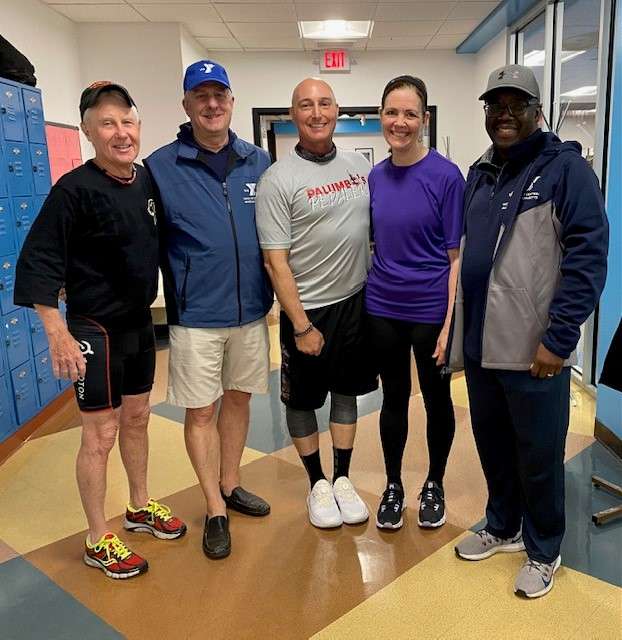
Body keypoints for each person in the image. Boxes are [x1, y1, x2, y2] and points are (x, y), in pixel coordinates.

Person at [14, 81, 186, 580]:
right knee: (100, 432)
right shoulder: (73, 191)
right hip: (94, 326)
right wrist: (56, 331)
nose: (120, 132)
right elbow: (39, 261)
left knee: (137, 418)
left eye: (127, 121)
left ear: (138, 126)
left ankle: (138, 506)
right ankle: (96, 537)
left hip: (136, 321)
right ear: (89, 131)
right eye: (107, 123)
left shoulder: (146, 180)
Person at [448, 64, 609, 598]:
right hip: (482, 344)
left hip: (534, 348)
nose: (505, 115)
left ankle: (544, 548)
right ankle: (503, 525)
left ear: (537, 111)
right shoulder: (481, 170)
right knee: (493, 446)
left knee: (538, 453)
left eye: (517, 104)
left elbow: (588, 259)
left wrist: (559, 341)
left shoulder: (565, 171)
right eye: (496, 105)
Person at [144, 61, 273, 559]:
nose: (212, 104)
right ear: (186, 105)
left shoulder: (257, 162)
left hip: (250, 313)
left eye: (220, 94)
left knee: (239, 401)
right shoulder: (159, 167)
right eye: (201, 95)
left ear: (232, 102)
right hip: (196, 315)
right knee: (201, 411)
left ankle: (231, 482)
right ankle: (214, 507)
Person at [256, 78, 377, 529]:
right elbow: (274, 261)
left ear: (337, 109)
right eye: (305, 105)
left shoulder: (357, 167)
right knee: (303, 399)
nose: (316, 112)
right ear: (293, 114)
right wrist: (302, 325)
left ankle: (342, 477)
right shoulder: (278, 179)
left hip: (355, 302)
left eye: (324, 103)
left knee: (347, 392)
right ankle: (316, 483)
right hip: (306, 310)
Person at [365, 76, 464, 530]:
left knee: (437, 399)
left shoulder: (446, 176)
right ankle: (393, 485)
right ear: (381, 116)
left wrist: (448, 325)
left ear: (423, 120)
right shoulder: (375, 176)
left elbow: (455, 257)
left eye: (409, 114)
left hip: (430, 310)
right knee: (394, 399)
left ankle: (435, 483)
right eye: (391, 112)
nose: (399, 122)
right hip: (383, 305)